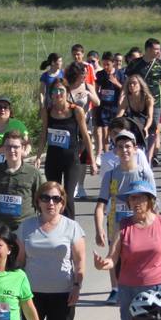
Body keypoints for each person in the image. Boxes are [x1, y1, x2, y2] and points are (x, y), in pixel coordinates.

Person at [95, 178, 161, 320]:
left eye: (139, 197)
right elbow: (112, 258)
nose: (134, 202)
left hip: (160, 287)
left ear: (150, 200)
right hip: (129, 289)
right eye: (131, 198)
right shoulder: (123, 225)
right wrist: (102, 264)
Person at [18, 182, 85, 320]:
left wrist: (76, 286)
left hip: (62, 292)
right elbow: (19, 261)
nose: (50, 203)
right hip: (30, 294)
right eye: (46, 198)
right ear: (38, 201)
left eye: (56, 199)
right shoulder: (26, 227)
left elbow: (80, 262)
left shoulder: (72, 227)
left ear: (63, 203)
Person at [94, 129, 156, 304]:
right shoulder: (110, 175)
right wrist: (99, 229)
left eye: (128, 146)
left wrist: (155, 228)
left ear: (135, 148)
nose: (124, 150)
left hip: (140, 223)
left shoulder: (144, 174)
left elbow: (154, 205)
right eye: (120, 147)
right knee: (114, 255)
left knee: (139, 256)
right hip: (116, 222)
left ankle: (142, 287)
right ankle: (115, 289)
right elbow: (100, 205)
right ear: (115, 150)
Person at [40, 81, 96, 218]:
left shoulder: (76, 110)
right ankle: (54, 224)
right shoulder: (47, 111)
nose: (58, 94)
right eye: (54, 91)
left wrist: (93, 161)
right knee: (53, 195)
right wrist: (37, 156)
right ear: (50, 94)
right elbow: (43, 134)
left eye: (61, 91)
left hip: (71, 160)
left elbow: (85, 136)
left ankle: (71, 228)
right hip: (53, 160)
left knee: (68, 196)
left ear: (67, 93)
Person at [0, 130, 42, 230]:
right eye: (8, 147)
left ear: (22, 148)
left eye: (16, 147)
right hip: (0, 229)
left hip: (26, 230)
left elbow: (42, 202)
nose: (12, 150)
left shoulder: (33, 173)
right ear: (3, 148)